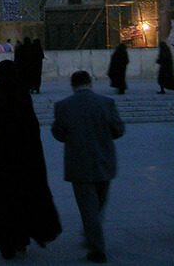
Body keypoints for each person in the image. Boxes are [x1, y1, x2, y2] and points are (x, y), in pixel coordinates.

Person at [0, 60, 61, 259]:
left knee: (3, 201)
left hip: (0, 159)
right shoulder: (21, 93)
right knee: (22, 198)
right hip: (22, 158)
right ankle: (21, 238)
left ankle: (7, 242)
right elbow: (30, 126)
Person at [52, 70, 125, 264]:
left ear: (72, 86)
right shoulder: (106, 103)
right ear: (90, 84)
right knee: (97, 205)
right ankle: (92, 233)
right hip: (104, 162)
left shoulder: (63, 106)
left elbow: (58, 134)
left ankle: (98, 248)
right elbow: (119, 129)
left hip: (79, 164)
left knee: (88, 207)